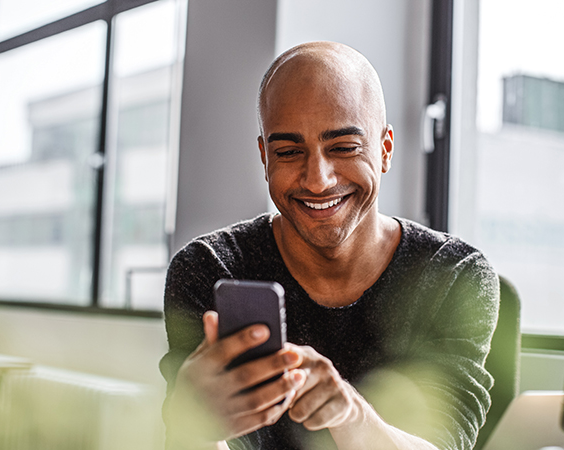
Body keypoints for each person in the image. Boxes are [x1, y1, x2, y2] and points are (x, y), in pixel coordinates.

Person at [160, 41, 499, 450]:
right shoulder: (211, 268)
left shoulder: (453, 275)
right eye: (288, 152)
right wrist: (193, 424)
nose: (317, 180)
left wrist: (348, 415)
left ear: (385, 149)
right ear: (265, 157)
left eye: (343, 148)